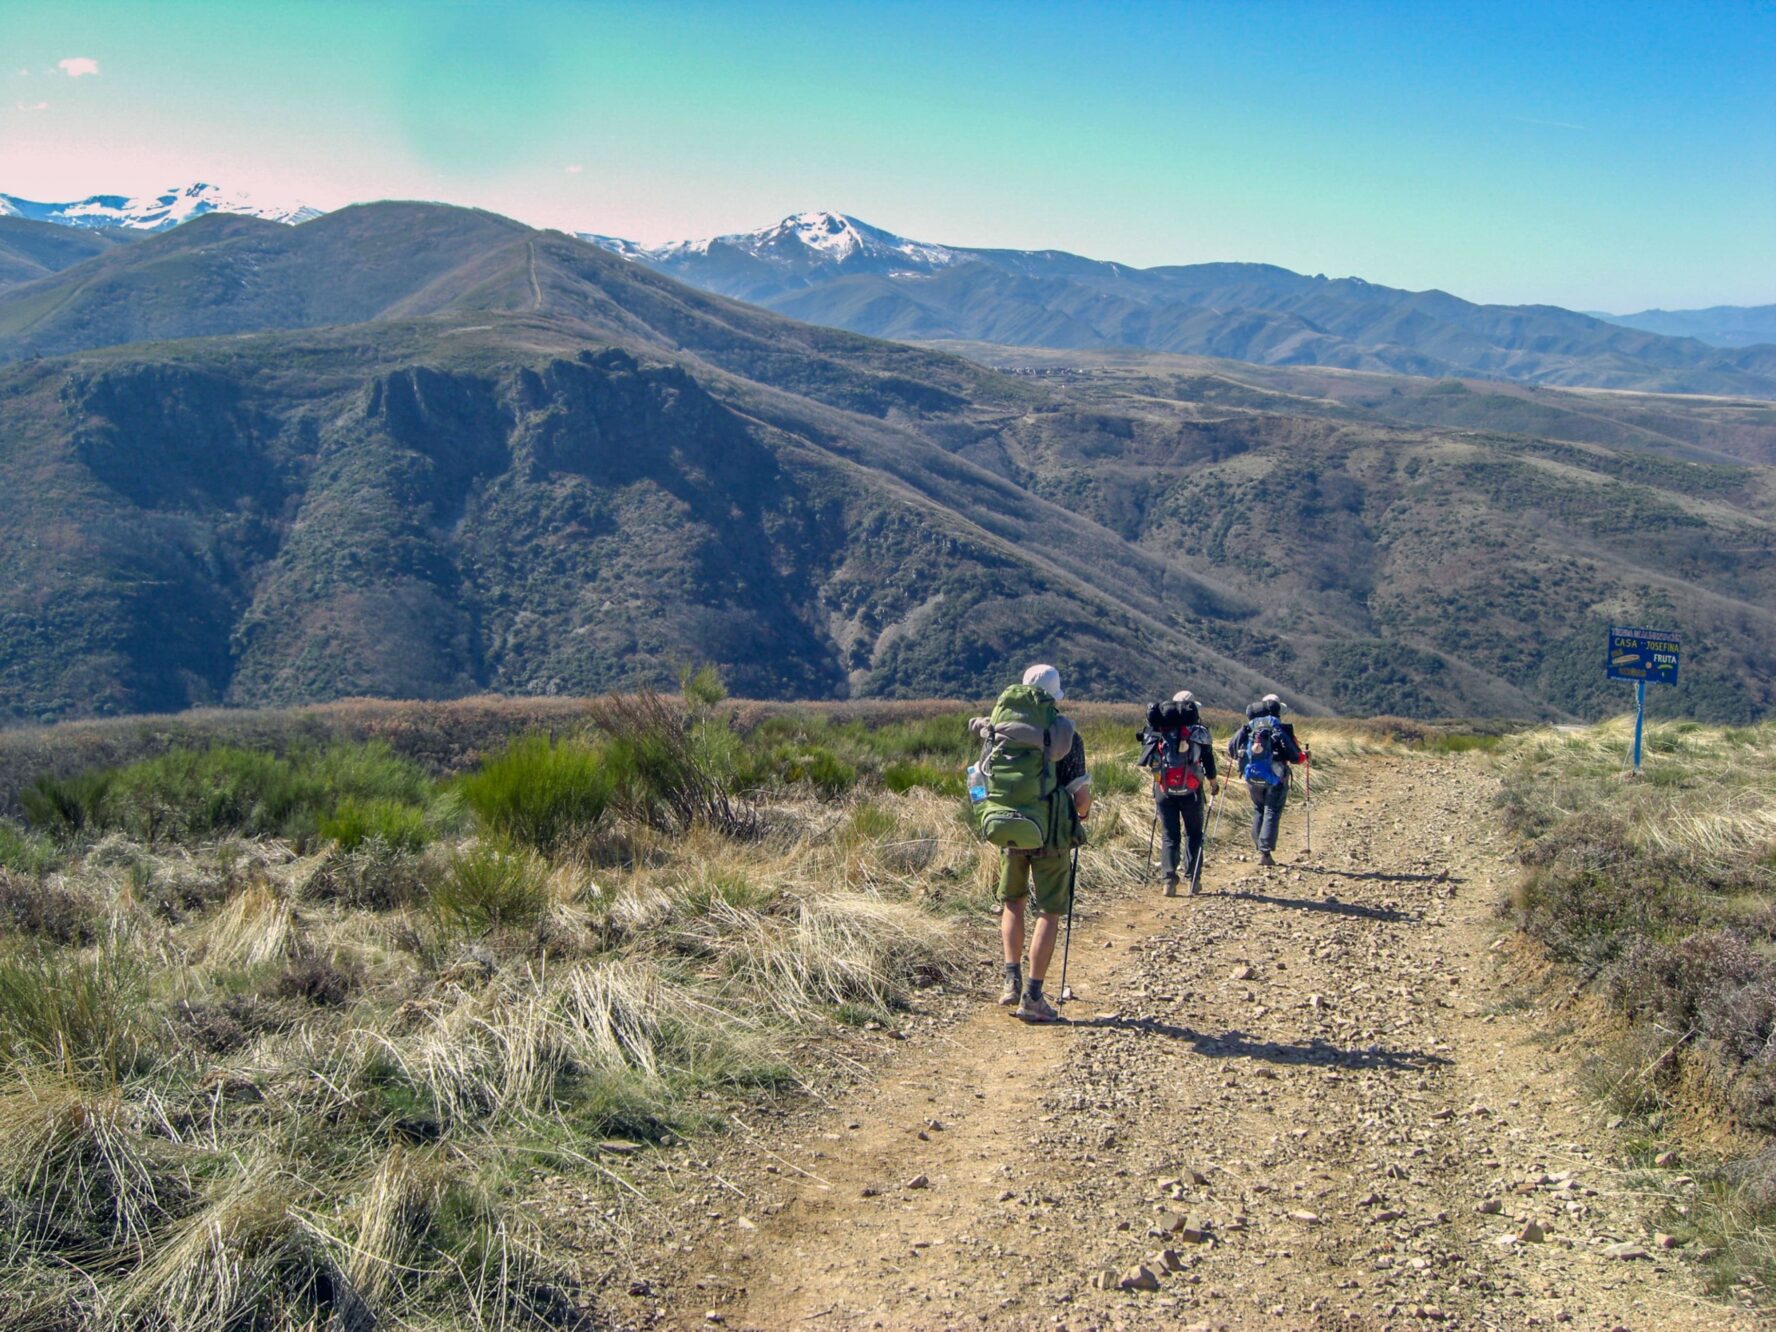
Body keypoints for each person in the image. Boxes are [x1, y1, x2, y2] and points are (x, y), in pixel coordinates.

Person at [974, 663, 1090, 1024]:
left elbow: (980, 780)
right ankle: (1034, 997)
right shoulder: (1063, 733)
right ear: (1054, 697)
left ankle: (1011, 980)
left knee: (1013, 903)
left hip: (1009, 827)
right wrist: (1081, 815)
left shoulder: (1000, 732)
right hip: (1051, 832)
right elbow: (1081, 797)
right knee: (1049, 911)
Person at [1138, 690, 1220, 896]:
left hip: (1164, 790)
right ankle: (1193, 879)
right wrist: (1213, 782)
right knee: (1194, 834)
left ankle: (1169, 880)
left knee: (1169, 835)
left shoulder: (1158, 731)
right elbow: (1208, 760)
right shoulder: (1198, 731)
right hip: (1191, 791)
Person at [1226, 693, 1305, 867]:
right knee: (1272, 811)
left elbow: (1231, 749)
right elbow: (1295, 757)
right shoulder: (1278, 728)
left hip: (1252, 777)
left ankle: (1260, 846)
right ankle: (1265, 853)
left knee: (1259, 810)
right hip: (1275, 778)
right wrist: (1304, 756)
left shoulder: (1248, 728)